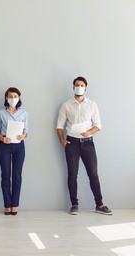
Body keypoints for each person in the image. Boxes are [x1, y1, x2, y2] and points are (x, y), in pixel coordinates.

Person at [56, 76, 112, 215]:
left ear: (86, 88)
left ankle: (99, 204)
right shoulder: (66, 105)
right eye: (77, 85)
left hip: (88, 144)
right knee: (72, 175)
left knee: (93, 174)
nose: (79, 87)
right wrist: (62, 141)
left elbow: (98, 125)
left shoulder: (92, 105)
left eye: (82, 85)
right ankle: (74, 204)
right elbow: (59, 125)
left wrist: (89, 132)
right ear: (73, 87)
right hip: (72, 144)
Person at [0, 87, 28, 215]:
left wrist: (23, 135)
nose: (13, 99)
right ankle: (7, 205)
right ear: (6, 98)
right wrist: (2, 138)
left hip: (19, 146)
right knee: (6, 175)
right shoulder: (1, 113)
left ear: (19, 98)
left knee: (17, 176)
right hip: (5, 146)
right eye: (10, 96)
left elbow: (27, 130)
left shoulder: (24, 113)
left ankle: (15, 205)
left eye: (15, 96)